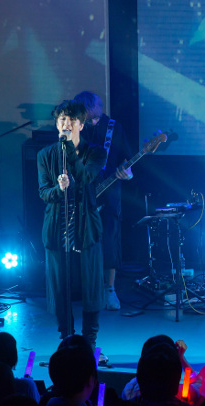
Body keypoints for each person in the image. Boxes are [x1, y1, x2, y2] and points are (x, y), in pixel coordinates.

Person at [37, 100, 106, 344]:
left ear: (81, 125)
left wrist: (68, 149)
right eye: (62, 120)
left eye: (71, 120)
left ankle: (89, 340)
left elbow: (86, 177)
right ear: (57, 124)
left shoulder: (96, 152)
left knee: (91, 284)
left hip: (86, 227)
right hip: (57, 228)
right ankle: (66, 337)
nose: (66, 124)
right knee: (60, 286)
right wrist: (59, 189)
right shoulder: (45, 155)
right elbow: (44, 192)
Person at [74, 91, 133, 311]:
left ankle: (110, 289)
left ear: (96, 107)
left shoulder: (114, 128)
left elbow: (126, 159)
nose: (86, 114)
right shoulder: (76, 128)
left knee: (109, 240)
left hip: (109, 192)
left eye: (88, 110)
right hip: (83, 192)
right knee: (83, 242)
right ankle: (89, 288)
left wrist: (126, 172)